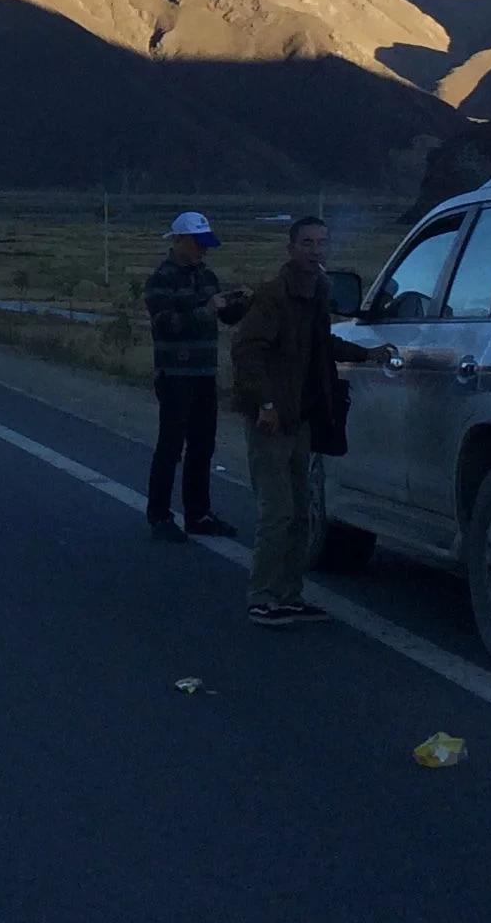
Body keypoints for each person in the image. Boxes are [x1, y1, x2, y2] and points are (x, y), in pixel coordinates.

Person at [227, 214, 378, 626]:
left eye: (321, 243)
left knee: (300, 512)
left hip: (301, 418)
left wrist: (366, 354)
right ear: (291, 248)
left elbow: (320, 344)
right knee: (277, 511)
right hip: (273, 420)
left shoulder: (317, 292)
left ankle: (289, 595)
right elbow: (247, 351)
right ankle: (262, 596)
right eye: (307, 243)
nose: (315, 250)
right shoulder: (273, 295)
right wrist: (265, 404)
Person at [141, 211, 245, 539]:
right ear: (179, 240)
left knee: (203, 445)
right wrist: (207, 310)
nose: (203, 249)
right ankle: (159, 516)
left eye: (205, 243)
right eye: (198, 243)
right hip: (174, 373)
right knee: (171, 446)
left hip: (203, 373)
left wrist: (240, 304)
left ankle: (198, 514)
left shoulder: (207, 276)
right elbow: (165, 325)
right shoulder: (161, 279)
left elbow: (224, 318)